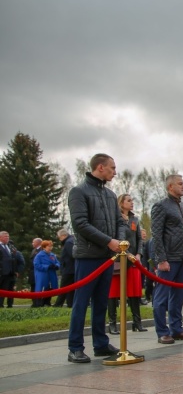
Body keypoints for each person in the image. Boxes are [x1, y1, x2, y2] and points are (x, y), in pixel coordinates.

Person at [66, 153, 124, 363]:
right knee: (81, 303)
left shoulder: (109, 195)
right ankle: (75, 347)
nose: (114, 172)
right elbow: (80, 224)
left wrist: (121, 242)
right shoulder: (78, 192)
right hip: (88, 256)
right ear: (100, 167)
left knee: (101, 302)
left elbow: (120, 222)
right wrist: (109, 241)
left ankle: (100, 343)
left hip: (107, 257)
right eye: (112, 168)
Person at [151, 174, 183, 344]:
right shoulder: (161, 206)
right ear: (170, 187)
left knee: (178, 297)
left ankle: (177, 329)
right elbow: (156, 235)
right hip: (169, 259)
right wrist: (161, 259)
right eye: (180, 184)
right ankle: (162, 331)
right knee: (161, 297)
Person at [107, 194, 147, 333]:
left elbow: (139, 239)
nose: (132, 203)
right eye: (129, 200)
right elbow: (117, 238)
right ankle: (112, 323)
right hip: (118, 260)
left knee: (134, 292)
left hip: (133, 261)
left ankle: (137, 322)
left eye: (132, 200)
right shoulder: (115, 219)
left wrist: (138, 254)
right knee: (113, 293)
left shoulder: (134, 219)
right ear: (121, 203)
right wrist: (127, 254)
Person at [0, 231, 23, 308]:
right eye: (5, 236)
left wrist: (16, 270)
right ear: (0, 237)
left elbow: (15, 259)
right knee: (2, 290)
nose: (7, 238)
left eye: (8, 236)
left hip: (11, 273)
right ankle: (1, 305)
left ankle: (10, 305)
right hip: (3, 273)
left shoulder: (10, 247)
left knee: (11, 290)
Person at [54, 229, 75, 308]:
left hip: (69, 269)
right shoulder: (71, 240)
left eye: (59, 237)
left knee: (63, 288)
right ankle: (70, 304)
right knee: (70, 289)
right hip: (70, 269)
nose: (59, 239)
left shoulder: (68, 242)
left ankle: (58, 304)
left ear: (63, 236)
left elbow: (72, 255)